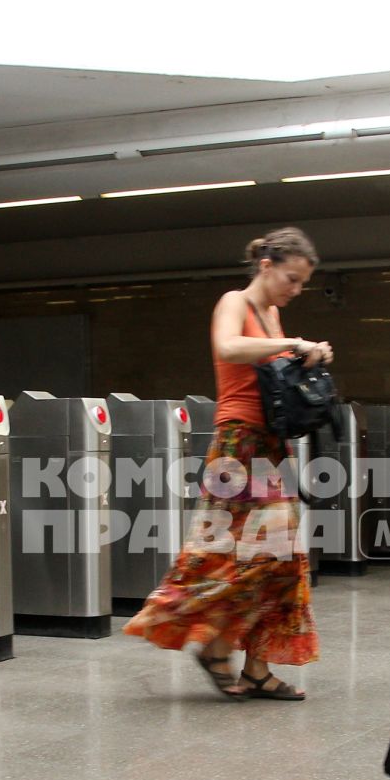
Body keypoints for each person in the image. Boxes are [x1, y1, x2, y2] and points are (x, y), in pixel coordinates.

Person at [124, 227, 333, 700]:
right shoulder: (234, 301)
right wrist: (294, 344)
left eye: (302, 283)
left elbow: (274, 370)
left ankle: (252, 666)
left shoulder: (274, 316)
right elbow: (228, 347)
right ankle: (213, 643)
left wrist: (308, 355)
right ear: (266, 266)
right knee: (231, 553)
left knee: (281, 558)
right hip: (237, 444)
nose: (295, 290)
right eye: (292, 278)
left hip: (271, 444)